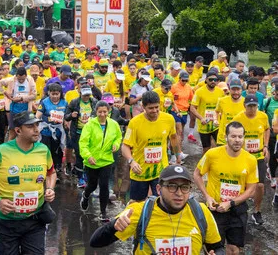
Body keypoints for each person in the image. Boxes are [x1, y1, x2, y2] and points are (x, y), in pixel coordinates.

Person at [90, 165, 223, 255]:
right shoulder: (139, 212)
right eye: (172, 186)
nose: (179, 193)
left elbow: (217, 247)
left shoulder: (201, 212)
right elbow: (95, 242)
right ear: (159, 189)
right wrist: (113, 226)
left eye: (184, 187)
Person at [0, 111, 56, 255]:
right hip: (6, 221)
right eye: (30, 126)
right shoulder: (2, 151)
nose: (36, 130)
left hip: (35, 219)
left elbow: (51, 173)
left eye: (37, 125)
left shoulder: (43, 150)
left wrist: (50, 188)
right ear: (18, 130)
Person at [194, 122, 258, 255]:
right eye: (233, 136)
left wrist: (231, 203)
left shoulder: (250, 160)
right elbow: (197, 174)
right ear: (225, 136)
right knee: (213, 250)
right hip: (215, 209)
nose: (237, 140)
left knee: (234, 250)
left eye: (240, 137)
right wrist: (207, 196)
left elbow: (251, 189)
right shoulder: (212, 154)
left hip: (237, 210)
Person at [122, 91, 179, 201]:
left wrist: (178, 156)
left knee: (162, 203)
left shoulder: (168, 119)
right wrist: (131, 161)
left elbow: (173, 138)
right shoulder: (134, 123)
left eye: (156, 107)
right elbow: (125, 146)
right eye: (151, 108)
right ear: (143, 107)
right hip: (140, 171)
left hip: (160, 171)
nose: (155, 111)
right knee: (136, 204)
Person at [79, 101, 122, 221]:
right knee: (92, 185)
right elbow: (83, 143)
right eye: (100, 112)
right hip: (91, 162)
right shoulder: (90, 125)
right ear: (96, 112)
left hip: (107, 160)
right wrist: (88, 156)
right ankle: (86, 195)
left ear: (108, 112)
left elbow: (118, 137)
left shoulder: (114, 124)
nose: (102, 114)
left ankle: (103, 213)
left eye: (105, 112)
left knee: (104, 186)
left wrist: (116, 144)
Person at [232, 94, 270, 225]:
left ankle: (257, 211)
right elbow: (232, 136)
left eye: (254, 106)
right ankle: (237, 207)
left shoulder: (263, 116)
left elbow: (267, 129)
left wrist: (265, 145)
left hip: (258, 155)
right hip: (243, 155)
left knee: (260, 185)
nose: (252, 109)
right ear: (244, 106)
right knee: (240, 184)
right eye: (250, 106)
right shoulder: (238, 119)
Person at [64, 84, 98, 187]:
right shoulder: (74, 102)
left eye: (88, 95)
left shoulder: (94, 102)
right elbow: (66, 116)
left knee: (90, 154)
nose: (87, 97)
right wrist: (71, 115)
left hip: (91, 133)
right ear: (80, 93)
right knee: (79, 155)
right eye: (85, 95)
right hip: (78, 132)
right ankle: (80, 178)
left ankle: (88, 176)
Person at [0, 66, 37, 140]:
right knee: (12, 131)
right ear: (16, 76)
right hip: (14, 108)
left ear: (26, 76)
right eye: (19, 79)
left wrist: (21, 98)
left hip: (26, 107)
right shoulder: (12, 80)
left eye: (22, 79)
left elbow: (34, 96)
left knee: (25, 131)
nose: (21, 81)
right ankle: (9, 148)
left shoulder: (30, 80)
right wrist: (6, 93)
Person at [36, 83, 67, 178]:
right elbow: (38, 114)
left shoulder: (64, 103)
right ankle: (45, 169)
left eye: (57, 94)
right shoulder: (44, 102)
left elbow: (66, 116)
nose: (54, 96)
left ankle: (56, 170)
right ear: (49, 93)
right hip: (45, 130)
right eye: (52, 94)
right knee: (46, 150)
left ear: (60, 94)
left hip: (58, 131)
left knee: (56, 151)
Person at [190, 70, 225, 154]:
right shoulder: (199, 92)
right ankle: (205, 165)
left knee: (220, 146)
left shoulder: (220, 92)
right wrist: (201, 118)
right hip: (204, 125)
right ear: (206, 80)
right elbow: (192, 108)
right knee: (206, 148)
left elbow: (223, 107)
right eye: (210, 79)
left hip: (216, 124)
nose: (213, 81)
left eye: (215, 80)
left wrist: (220, 116)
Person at [215, 79, 244, 145]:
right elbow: (216, 111)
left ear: (241, 90)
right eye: (233, 90)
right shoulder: (222, 101)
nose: (236, 92)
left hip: (238, 139)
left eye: (238, 90)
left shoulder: (245, 103)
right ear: (229, 89)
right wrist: (215, 120)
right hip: (223, 138)